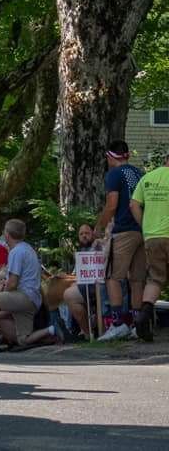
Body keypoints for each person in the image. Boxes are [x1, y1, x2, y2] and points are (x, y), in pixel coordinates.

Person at [0, 219, 56, 351]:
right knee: (23, 339)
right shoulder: (28, 249)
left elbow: (12, 283)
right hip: (34, 300)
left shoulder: (16, 252)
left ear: (7, 234)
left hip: (23, 296)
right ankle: (51, 331)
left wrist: (1, 294)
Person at [95, 141, 145, 341]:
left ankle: (118, 324)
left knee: (113, 277)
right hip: (143, 229)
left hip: (123, 230)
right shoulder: (140, 173)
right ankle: (137, 324)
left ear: (110, 157)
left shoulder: (114, 174)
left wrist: (99, 226)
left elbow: (112, 204)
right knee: (137, 279)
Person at [129, 152, 169, 342]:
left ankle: (143, 315)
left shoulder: (148, 178)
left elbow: (133, 205)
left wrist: (145, 225)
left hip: (152, 237)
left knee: (155, 279)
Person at [62, 223, 105, 339]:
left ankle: (87, 332)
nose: (84, 236)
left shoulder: (100, 245)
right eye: (81, 234)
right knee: (64, 290)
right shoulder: (81, 251)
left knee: (69, 294)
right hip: (85, 285)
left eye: (87, 233)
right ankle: (86, 332)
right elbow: (77, 275)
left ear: (93, 233)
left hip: (100, 285)